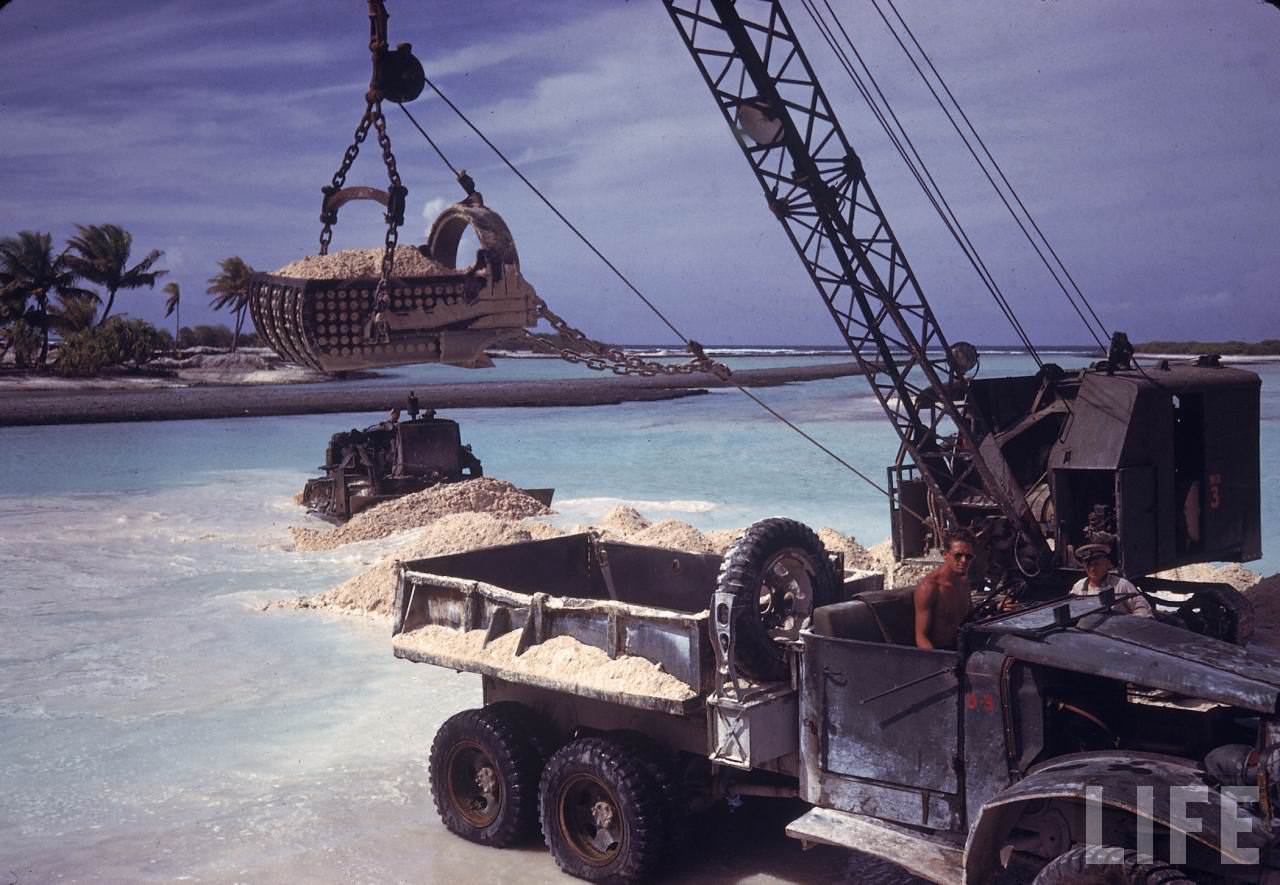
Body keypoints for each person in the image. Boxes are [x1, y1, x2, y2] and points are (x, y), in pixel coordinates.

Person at [914, 529, 976, 650]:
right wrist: (938, 661)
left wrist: (997, 608)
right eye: (958, 555)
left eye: (968, 556)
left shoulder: (963, 582)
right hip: (942, 654)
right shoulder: (929, 588)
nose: (964, 561)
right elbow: (921, 637)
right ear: (945, 554)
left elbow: (971, 617)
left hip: (962, 646)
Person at [1070, 543, 1153, 617]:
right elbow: (1070, 611)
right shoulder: (1079, 587)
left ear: (1106, 564)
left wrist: (1127, 625)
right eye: (1088, 565)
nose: (1092, 569)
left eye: (1096, 564)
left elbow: (1144, 611)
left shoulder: (1121, 585)